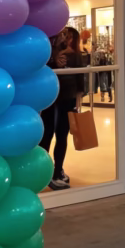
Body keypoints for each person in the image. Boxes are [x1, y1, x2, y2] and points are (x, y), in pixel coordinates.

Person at [39, 26, 86, 190]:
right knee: (47, 134)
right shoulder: (51, 54)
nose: (65, 38)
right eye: (63, 35)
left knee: (61, 135)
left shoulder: (75, 56)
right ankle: (46, 170)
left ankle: (57, 170)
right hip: (52, 99)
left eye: (68, 36)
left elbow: (80, 78)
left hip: (66, 98)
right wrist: (54, 59)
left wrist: (78, 100)